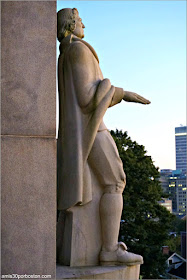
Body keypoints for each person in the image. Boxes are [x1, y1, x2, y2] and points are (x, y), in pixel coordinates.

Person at [57, 8, 150, 266]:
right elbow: (88, 98)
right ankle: (109, 250)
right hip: (92, 129)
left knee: (113, 182)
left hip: (82, 130)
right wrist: (119, 91)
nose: (84, 22)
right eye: (79, 19)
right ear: (71, 23)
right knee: (115, 181)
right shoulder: (77, 51)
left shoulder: (66, 55)